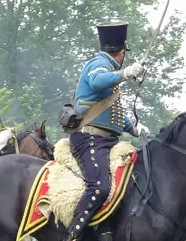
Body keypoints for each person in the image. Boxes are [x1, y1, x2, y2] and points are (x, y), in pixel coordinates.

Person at [66, 22, 150, 241]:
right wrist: (126, 73)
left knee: (127, 185)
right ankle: (73, 234)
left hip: (109, 142)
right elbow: (95, 82)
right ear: (121, 51)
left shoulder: (110, 71)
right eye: (125, 55)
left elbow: (114, 117)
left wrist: (135, 128)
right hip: (90, 139)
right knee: (100, 188)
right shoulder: (99, 63)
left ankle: (105, 228)